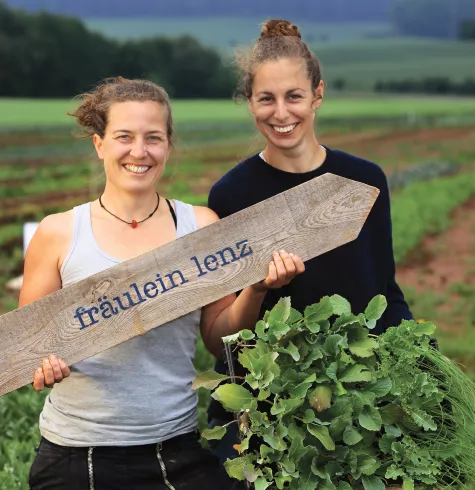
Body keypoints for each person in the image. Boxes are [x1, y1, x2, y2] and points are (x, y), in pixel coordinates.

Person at [19, 76, 304, 490]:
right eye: (124, 137)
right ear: (99, 144)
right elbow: (27, 349)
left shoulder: (200, 226)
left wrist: (257, 289)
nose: (140, 151)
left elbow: (216, 339)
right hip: (77, 456)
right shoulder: (60, 233)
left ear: (168, 146)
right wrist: (41, 366)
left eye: (153, 138)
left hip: (177, 450)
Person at [206, 19, 411, 489]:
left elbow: (383, 290)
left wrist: (421, 361)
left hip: (357, 406)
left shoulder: (364, 182)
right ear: (250, 102)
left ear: (317, 95)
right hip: (273, 414)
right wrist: (259, 288)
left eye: (294, 96)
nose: (281, 113)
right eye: (266, 98)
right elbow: (224, 345)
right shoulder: (231, 195)